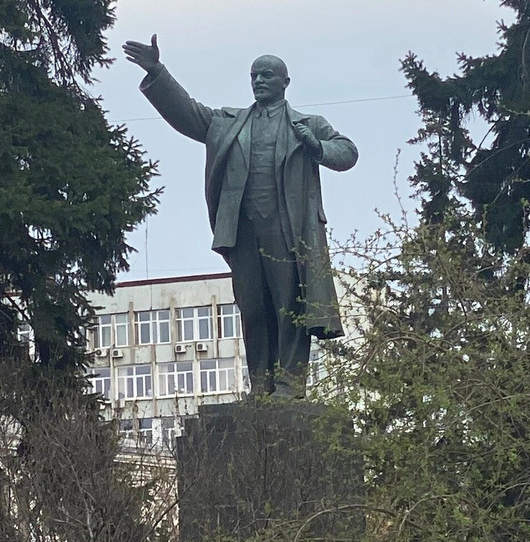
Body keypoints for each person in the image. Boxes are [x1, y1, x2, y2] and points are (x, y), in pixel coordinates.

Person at [122, 35, 358, 398]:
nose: (259, 81)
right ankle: (260, 386)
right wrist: (157, 71)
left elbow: (347, 152)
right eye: (254, 76)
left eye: (267, 75)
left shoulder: (306, 123)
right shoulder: (229, 123)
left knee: (288, 307)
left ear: (285, 83)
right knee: (253, 309)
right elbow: (187, 113)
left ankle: (289, 386)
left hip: (287, 228)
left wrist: (317, 146)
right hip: (243, 230)